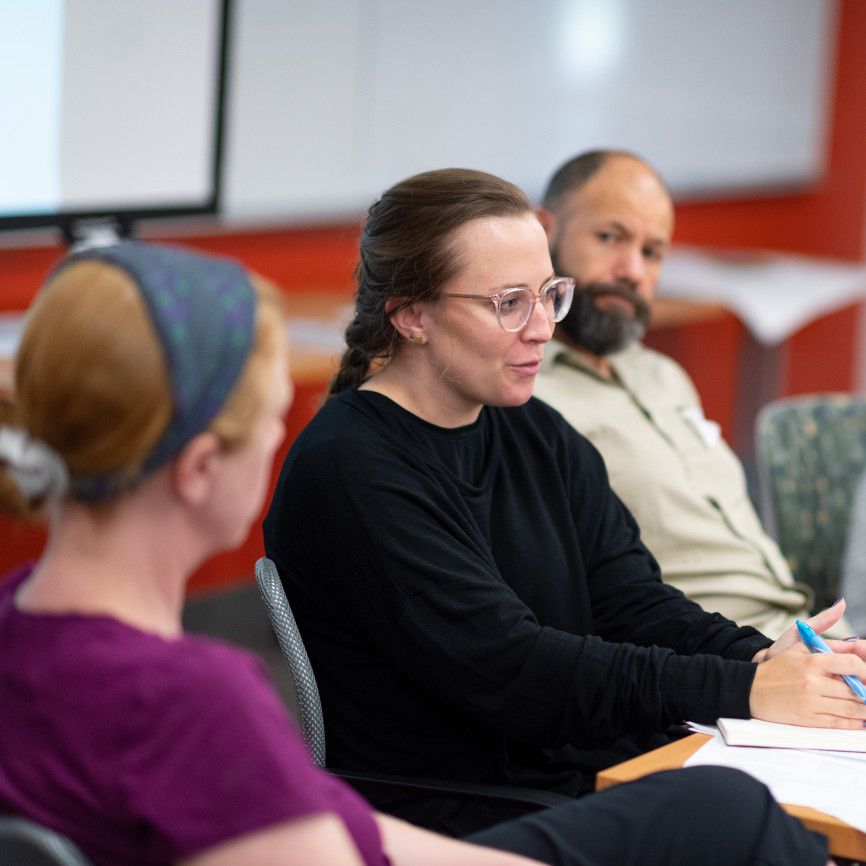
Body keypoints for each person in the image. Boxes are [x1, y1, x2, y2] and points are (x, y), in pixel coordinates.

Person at [0, 240, 826, 866]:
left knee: (709, 808)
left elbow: (326, 828)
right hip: (463, 801)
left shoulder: (20, 627)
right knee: (732, 815)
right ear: (200, 469)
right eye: (266, 418)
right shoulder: (194, 704)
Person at [263, 168, 866, 840]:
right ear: (411, 316)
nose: (545, 327)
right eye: (508, 303)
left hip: (567, 773)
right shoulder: (351, 469)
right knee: (756, 827)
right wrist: (741, 690)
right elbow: (517, 670)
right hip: (464, 813)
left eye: (550, 294)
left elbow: (633, 603)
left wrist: (763, 661)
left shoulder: (534, 430)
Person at [532, 149, 846, 639]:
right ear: (544, 231)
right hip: (726, 658)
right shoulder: (524, 394)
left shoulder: (664, 375)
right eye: (609, 237)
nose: (632, 269)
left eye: (652, 252)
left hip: (818, 632)